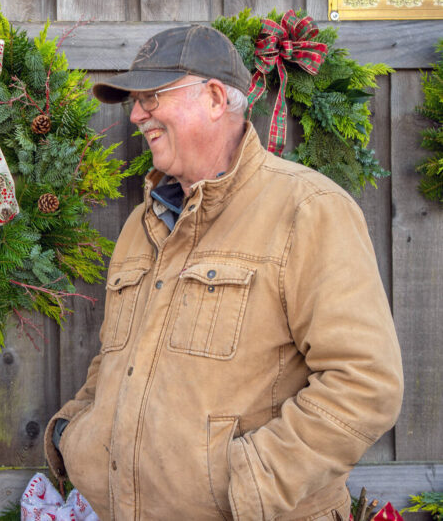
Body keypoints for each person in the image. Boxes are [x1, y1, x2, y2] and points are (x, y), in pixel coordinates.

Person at [43, 25, 404, 520]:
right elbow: (115, 360)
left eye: (152, 96)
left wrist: (253, 482)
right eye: (135, 100)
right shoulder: (141, 222)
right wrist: (76, 433)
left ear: (215, 98)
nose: (135, 114)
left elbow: (365, 382)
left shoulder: (307, 209)